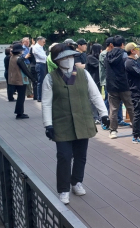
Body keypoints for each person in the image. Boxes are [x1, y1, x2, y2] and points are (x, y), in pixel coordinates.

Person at [42, 44, 109, 204]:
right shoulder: (50, 78)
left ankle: (76, 181)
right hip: (61, 122)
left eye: (70, 56)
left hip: (82, 120)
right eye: (64, 58)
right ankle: (63, 189)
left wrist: (104, 113)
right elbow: (46, 104)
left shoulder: (83, 74)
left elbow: (95, 95)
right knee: (64, 156)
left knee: (81, 155)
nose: (68, 60)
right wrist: (48, 124)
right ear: (57, 61)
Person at [105, 36, 134, 139]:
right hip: (124, 85)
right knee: (130, 107)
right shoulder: (124, 54)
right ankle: (136, 129)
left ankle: (112, 131)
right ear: (122, 44)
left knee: (113, 109)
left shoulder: (107, 54)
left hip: (111, 85)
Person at [124, 42, 140, 144]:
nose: (139, 51)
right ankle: (136, 135)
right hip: (137, 91)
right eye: (137, 49)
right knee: (138, 114)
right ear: (132, 51)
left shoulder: (135, 61)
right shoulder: (129, 62)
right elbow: (139, 72)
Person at [99, 37, 125, 129]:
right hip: (108, 81)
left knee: (119, 102)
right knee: (108, 101)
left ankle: (119, 119)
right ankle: (105, 121)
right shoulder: (104, 54)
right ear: (111, 44)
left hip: (115, 81)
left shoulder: (115, 54)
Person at [7, 42, 37, 119]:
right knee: (21, 97)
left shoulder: (12, 57)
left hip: (14, 79)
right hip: (20, 79)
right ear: (19, 51)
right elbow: (25, 70)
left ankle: (19, 112)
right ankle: (19, 113)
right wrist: (33, 79)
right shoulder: (19, 59)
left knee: (20, 96)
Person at [85, 43, 103, 123]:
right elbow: (100, 65)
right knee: (93, 99)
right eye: (100, 49)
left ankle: (97, 116)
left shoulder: (95, 57)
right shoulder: (90, 57)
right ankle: (94, 117)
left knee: (97, 98)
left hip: (98, 81)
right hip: (92, 81)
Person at [32, 37, 47, 102]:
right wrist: (47, 57)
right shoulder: (36, 47)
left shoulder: (40, 47)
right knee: (40, 81)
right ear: (39, 41)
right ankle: (39, 97)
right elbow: (41, 57)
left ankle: (42, 96)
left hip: (42, 64)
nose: (44, 43)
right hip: (40, 64)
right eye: (43, 42)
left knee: (43, 81)